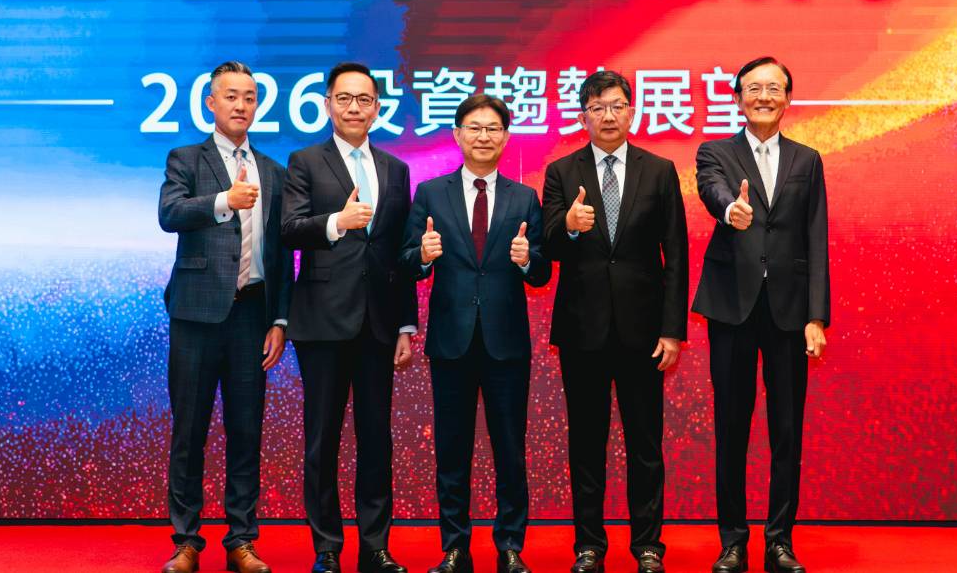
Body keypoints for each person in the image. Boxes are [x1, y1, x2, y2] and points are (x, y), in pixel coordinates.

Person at [540, 70, 689, 573]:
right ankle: (589, 546)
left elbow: (676, 254)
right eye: (597, 107)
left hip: (644, 333)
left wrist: (672, 330)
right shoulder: (562, 171)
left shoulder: (660, 170)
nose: (608, 115)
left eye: (617, 105)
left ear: (632, 111)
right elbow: (547, 247)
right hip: (582, 331)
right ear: (583, 115)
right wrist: (569, 227)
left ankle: (648, 546)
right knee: (587, 443)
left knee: (645, 444)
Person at [401, 95, 552, 573]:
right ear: (457, 134)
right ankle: (455, 548)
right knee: (452, 450)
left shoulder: (524, 197)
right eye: (474, 127)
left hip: (507, 343)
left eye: (492, 128)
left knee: (510, 450)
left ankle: (510, 547)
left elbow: (542, 272)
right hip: (452, 341)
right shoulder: (430, 193)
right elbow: (407, 261)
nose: (483, 136)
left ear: (505, 137)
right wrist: (423, 255)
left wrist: (527, 261)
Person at [692, 57, 830, 573]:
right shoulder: (716, 152)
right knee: (731, 427)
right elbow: (713, 191)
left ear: (788, 98)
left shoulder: (807, 160)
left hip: (790, 313)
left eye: (774, 88)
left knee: (786, 431)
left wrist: (816, 316)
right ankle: (732, 541)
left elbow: (816, 237)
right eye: (754, 88)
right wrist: (731, 210)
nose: (764, 97)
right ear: (738, 98)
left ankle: (780, 541)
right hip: (732, 307)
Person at [281, 62, 418, 573]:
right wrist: (337, 222)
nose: (354, 107)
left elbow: (401, 252)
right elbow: (289, 229)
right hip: (321, 321)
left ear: (377, 107)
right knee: (322, 439)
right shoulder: (305, 162)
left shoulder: (396, 169)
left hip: (378, 324)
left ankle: (376, 546)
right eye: (344, 98)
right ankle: (327, 548)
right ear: (327, 105)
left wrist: (406, 324)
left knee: (376, 439)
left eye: (364, 99)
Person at [157, 61, 293, 573]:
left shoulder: (274, 171)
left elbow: (281, 253)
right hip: (195, 315)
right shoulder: (186, 159)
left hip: (252, 315)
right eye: (231, 96)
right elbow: (169, 214)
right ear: (210, 103)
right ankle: (186, 541)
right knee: (189, 432)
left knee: (246, 432)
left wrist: (280, 320)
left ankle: (241, 540)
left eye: (249, 97)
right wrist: (223, 201)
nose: (241, 105)